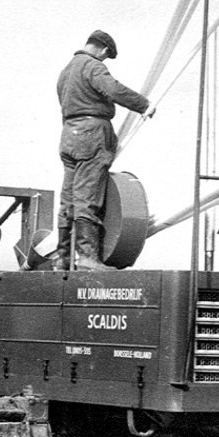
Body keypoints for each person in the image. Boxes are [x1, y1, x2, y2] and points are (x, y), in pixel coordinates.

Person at [55, 30, 154, 271]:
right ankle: (88, 258)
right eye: (107, 55)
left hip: (69, 134)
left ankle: (62, 258)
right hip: (92, 134)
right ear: (102, 49)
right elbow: (113, 89)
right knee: (88, 196)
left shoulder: (66, 71)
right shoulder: (92, 66)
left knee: (68, 198)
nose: (105, 60)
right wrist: (144, 105)